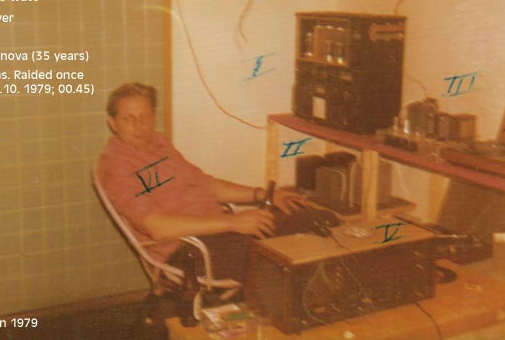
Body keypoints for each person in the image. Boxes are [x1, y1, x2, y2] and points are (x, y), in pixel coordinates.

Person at [97, 82, 331, 284]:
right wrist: (232, 222)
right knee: (283, 256)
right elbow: (158, 227)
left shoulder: (159, 144)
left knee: (318, 220)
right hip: (188, 251)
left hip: (220, 234)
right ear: (112, 123)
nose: (139, 126)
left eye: (145, 117)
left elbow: (203, 183)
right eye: (128, 118)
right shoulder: (116, 166)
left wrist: (264, 195)